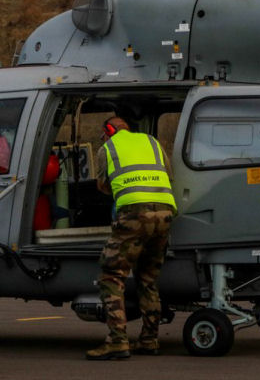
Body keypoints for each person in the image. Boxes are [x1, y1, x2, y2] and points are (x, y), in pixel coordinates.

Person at [85, 117, 176, 360]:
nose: (102, 140)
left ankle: (117, 341)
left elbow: (103, 185)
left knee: (111, 275)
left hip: (135, 214)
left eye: (103, 135)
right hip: (165, 212)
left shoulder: (108, 148)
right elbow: (169, 175)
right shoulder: (152, 142)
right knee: (148, 277)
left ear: (109, 131)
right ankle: (149, 339)